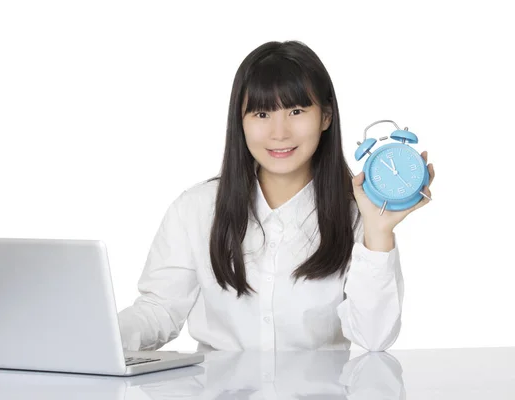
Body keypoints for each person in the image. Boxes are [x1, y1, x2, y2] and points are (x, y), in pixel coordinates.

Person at [117, 40, 435, 352]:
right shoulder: (196, 209)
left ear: (326, 117)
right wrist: (95, 337)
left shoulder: (356, 215)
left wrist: (378, 232)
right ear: (239, 122)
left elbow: (374, 338)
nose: (279, 133)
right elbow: (158, 310)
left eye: (296, 111)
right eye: (261, 114)